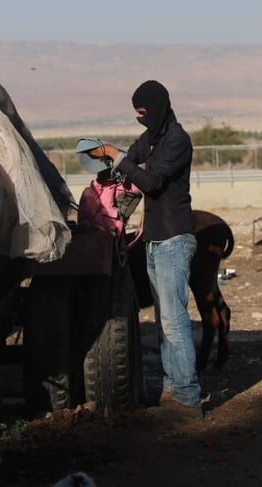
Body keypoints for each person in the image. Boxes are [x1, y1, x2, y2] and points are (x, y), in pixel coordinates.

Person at [86, 80, 203, 420]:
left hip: (174, 240)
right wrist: (107, 158)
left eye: (142, 112)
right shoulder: (152, 139)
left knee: (175, 322)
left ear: (158, 107)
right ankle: (171, 389)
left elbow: (151, 182)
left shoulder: (177, 140)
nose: (140, 118)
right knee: (164, 323)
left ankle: (188, 398)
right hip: (154, 241)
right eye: (135, 113)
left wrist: (115, 156)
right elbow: (132, 158)